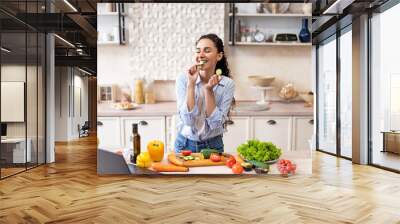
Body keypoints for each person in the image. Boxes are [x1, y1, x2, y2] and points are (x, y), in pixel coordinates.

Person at [175, 33, 235, 153]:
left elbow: (216, 124)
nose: (201, 55)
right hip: (185, 145)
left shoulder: (227, 84)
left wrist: (208, 91)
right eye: (198, 51)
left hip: (213, 146)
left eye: (207, 51)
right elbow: (188, 121)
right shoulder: (183, 79)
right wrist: (191, 85)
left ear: (219, 56)